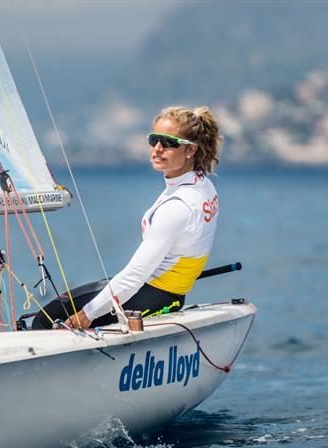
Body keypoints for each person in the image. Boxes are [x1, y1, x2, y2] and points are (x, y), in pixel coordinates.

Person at [31, 106, 223, 330]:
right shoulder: (203, 185)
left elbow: (135, 276)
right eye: (153, 140)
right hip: (170, 293)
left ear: (190, 150)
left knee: (46, 318)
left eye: (168, 142)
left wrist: (88, 314)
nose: (157, 149)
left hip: (154, 294)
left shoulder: (178, 207)